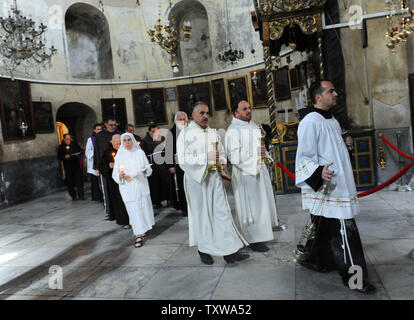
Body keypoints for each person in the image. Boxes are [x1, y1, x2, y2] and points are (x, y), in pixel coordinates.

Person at [295, 80, 376, 294]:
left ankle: (318, 261)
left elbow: (333, 152)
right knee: (346, 234)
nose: (336, 93)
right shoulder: (310, 122)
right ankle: (356, 280)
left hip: (339, 184)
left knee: (326, 229)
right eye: (331, 91)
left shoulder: (332, 120)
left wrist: (346, 148)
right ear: (318, 96)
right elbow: (304, 157)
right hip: (329, 187)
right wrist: (317, 171)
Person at [177, 101, 249, 265]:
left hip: (214, 178)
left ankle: (229, 252)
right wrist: (205, 159)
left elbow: (220, 152)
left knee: (222, 214)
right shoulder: (186, 134)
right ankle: (204, 250)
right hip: (198, 181)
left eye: (207, 113)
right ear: (193, 115)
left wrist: (222, 161)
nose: (205, 116)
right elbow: (183, 160)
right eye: (201, 113)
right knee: (203, 216)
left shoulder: (212, 132)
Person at [225, 100, 279, 252]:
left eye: (249, 108)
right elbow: (234, 156)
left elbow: (261, 147)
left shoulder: (253, 126)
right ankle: (252, 239)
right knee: (252, 208)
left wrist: (267, 158)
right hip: (245, 174)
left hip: (259, 171)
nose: (249, 111)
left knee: (262, 204)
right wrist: (256, 157)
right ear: (236, 113)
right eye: (244, 109)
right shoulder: (232, 131)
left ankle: (262, 234)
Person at [112, 133, 155, 248]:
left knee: (144, 208)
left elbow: (149, 169)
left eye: (129, 140)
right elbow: (115, 174)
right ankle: (138, 234)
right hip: (128, 188)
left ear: (133, 141)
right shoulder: (119, 156)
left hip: (141, 185)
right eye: (124, 140)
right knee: (134, 210)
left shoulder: (140, 153)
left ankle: (143, 228)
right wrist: (120, 175)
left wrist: (145, 171)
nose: (127, 142)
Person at [93, 116, 122, 220]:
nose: (113, 127)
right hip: (105, 166)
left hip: (120, 166)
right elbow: (96, 151)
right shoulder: (100, 136)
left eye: (115, 125)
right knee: (107, 189)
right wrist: (96, 167)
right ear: (105, 124)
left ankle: (121, 211)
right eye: (111, 125)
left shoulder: (120, 134)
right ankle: (110, 211)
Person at [101, 134, 131, 229]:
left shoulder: (127, 150)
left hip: (128, 180)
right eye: (116, 144)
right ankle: (124, 221)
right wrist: (109, 166)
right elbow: (101, 167)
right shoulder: (107, 153)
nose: (118, 146)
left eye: (120, 143)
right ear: (112, 143)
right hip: (114, 182)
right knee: (119, 201)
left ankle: (133, 219)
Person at [141, 123, 171, 208]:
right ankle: (157, 201)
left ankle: (168, 199)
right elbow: (144, 154)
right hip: (153, 166)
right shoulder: (145, 141)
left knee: (165, 182)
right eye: (153, 131)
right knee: (155, 184)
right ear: (149, 131)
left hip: (163, 164)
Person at [166, 111, 189, 216]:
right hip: (178, 163)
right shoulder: (171, 132)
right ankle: (185, 208)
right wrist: (170, 165)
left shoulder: (191, 130)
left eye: (184, 119)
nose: (183, 121)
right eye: (180, 119)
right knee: (182, 185)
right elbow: (168, 150)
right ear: (175, 121)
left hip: (191, 162)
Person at [57, 133, 85, 201]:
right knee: (70, 182)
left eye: (69, 139)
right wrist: (64, 157)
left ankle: (81, 196)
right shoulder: (61, 147)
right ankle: (73, 196)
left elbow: (81, 151)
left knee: (79, 181)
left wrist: (78, 153)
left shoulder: (74, 144)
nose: (68, 140)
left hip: (76, 166)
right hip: (68, 167)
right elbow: (59, 157)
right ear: (64, 139)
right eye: (67, 139)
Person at [85, 123, 103, 202]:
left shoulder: (104, 138)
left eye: (100, 129)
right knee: (95, 182)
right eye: (98, 129)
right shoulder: (90, 139)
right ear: (94, 130)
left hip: (103, 162)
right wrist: (96, 151)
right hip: (94, 163)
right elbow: (87, 152)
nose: (99, 131)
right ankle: (97, 197)